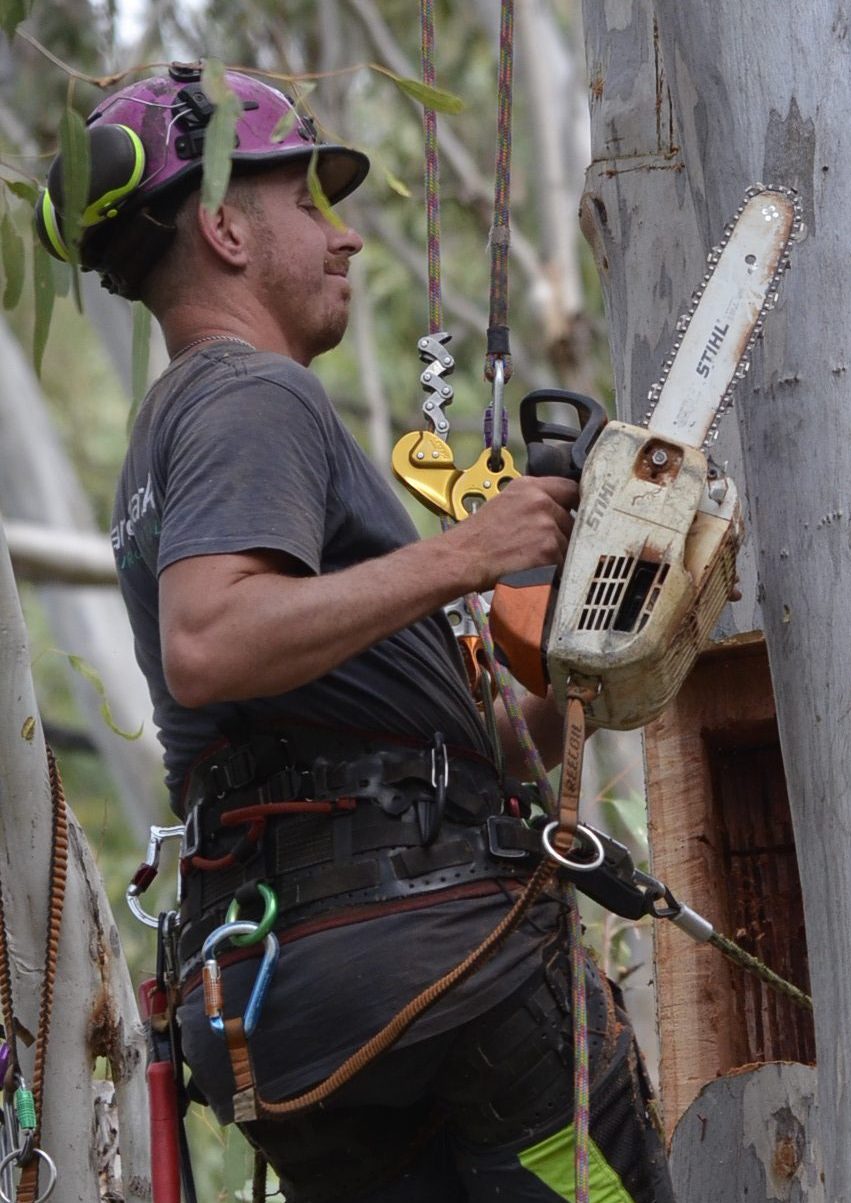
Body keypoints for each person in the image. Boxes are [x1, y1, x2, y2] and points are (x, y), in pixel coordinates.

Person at [37, 63, 674, 1203]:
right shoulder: (248, 395)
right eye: (310, 203)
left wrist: (580, 660)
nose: (348, 240)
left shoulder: (173, 434)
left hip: (290, 1005)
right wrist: (468, 554)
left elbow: (411, 737)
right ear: (228, 229)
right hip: (435, 968)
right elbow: (213, 640)